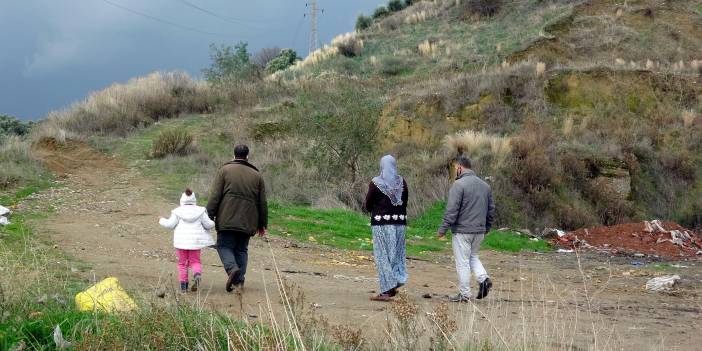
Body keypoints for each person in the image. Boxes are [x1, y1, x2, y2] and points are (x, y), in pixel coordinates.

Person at [207, 145, 267, 293]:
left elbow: (215, 196)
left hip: (227, 218)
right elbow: (262, 202)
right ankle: (239, 283)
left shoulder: (225, 170)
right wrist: (262, 224)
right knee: (241, 249)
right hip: (249, 220)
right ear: (247, 156)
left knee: (223, 246)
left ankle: (232, 269)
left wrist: (208, 216)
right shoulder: (257, 175)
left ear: (234, 155)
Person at [437, 156, 495, 302]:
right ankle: (484, 279)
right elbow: (491, 209)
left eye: (455, 168)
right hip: (479, 230)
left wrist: (443, 229)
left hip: (462, 231)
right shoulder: (485, 186)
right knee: (472, 257)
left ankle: (465, 294)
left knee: (462, 261)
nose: (455, 171)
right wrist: (487, 226)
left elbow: (452, 210)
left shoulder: (459, 185)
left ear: (460, 168)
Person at [364, 155, 409, 302]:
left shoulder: (376, 183)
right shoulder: (402, 182)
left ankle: (386, 290)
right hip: (400, 224)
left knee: (383, 256)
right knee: (396, 255)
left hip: (382, 225)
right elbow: (405, 202)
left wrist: (376, 211)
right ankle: (395, 283)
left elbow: (368, 204)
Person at [159, 188, 215, 293]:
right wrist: (213, 222)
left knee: (182, 264)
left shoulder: (177, 211)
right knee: (195, 261)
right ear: (194, 200)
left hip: (181, 242)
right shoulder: (201, 211)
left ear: (182, 200)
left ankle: (184, 287)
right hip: (195, 242)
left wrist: (161, 219)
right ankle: (197, 274)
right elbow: (209, 224)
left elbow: (170, 224)